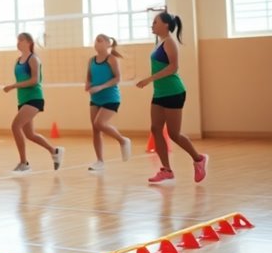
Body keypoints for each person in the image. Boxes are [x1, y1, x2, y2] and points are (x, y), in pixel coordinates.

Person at [136, 11, 208, 183]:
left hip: (174, 92)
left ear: (166, 25)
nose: (152, 25)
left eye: (155, 22)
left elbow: (173, 68)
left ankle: (199, 159)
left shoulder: (169, 42)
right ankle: (166, 170)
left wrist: (149, 79)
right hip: (160, 93)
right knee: (155, 128)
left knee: (174, 134)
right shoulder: (159, 43)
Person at [3, 32, 64, 172]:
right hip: (23, 100)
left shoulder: (33, 59)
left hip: (34, 98)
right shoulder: (18, 60)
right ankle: (54, 151)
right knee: (30, 134)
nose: (18, 43)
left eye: (21, 40)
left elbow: (34, 80)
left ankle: (24, 163)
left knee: (15, 126)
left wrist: (13, 86)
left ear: (29, 42)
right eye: (17, 40)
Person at [85, 34, 133, 171]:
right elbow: (89, 77)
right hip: (95, 98)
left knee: (99, 123)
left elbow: (117, 78)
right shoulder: (91, 60)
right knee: (95, 129)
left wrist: (101, 86)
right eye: (95, 40)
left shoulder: (111, 59)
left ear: (107, 44)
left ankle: (123, 140)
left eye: (100, 40)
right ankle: (99, 161)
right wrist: (88, 85)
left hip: (111, 97)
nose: (96, 42)